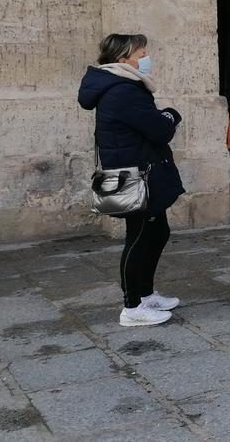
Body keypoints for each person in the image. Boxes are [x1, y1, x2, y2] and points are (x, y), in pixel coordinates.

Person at [78, 34, 185, 327]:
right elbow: (159, 130)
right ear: (124, 59)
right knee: (138, 239)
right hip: (136, 176)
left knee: (158, 232)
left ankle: (146, 293)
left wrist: (161, 118)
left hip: (144, 171)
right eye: (142, 53)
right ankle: (132, 307)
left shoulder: (123, 86)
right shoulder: (122, 90)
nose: (147, 57)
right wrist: (171, 115)